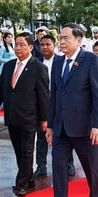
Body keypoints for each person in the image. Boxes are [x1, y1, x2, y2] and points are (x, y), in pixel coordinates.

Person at [40, 23, 98, 197]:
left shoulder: (91, 61)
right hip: (60, 128)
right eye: (60, 37)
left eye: (65, 38)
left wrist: (97, 125)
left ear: (79, 40)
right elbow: (54, 97)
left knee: (91, 168)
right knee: (59, 170)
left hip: (85, 127)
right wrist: (50, 125)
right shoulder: (58, 63)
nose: (61, 41)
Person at [0, 33, 49, 197]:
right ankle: (28, 178)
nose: (18, 48)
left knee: (27, 150)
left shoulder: (39, 68)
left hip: (30, 116)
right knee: (18, 150)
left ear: (30, 47)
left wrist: (45, 119)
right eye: (17, 44)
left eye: (22, 44)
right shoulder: (8, 66)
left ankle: (20, 184)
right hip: (12, 116)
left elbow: (43, 96)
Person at [34, 33, 56, 178]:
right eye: (42, 44)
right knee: (41, 138)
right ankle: (41, 166)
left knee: (61, 137)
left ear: (55, 45)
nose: (45, 47)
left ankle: (68, 165)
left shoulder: (62, 61)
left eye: (48, 44)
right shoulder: (36, 63)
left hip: (59, 105)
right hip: (42, 106)